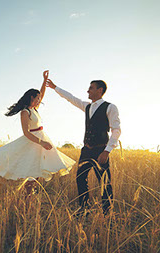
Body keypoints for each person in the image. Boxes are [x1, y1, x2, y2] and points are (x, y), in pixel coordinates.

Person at [0, 71, 76, 196]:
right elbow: (26, 132)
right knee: (32, 169)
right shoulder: (25, 112)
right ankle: (28, 195)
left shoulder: (34, 109)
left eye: (39, 98)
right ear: (31, 98)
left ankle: (31, 194)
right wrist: (42, 143)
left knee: (38, 168)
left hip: (40, 140)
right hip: (33, 142)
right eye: (37, 98)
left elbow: (41, 94)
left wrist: (44, 81)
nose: (39, 100)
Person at [46, 78, 121, 215]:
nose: (88, 90)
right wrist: (54, 87)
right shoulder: (87, 106)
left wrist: (107, 151)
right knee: (80, 178)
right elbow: (70, 98)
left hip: (100, 150)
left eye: (91, 88)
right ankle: (84, 208)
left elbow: (116, 130)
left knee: (104, 182)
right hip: (86, 150)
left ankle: (107, 213)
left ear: (100, 90)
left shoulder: (110, 107)